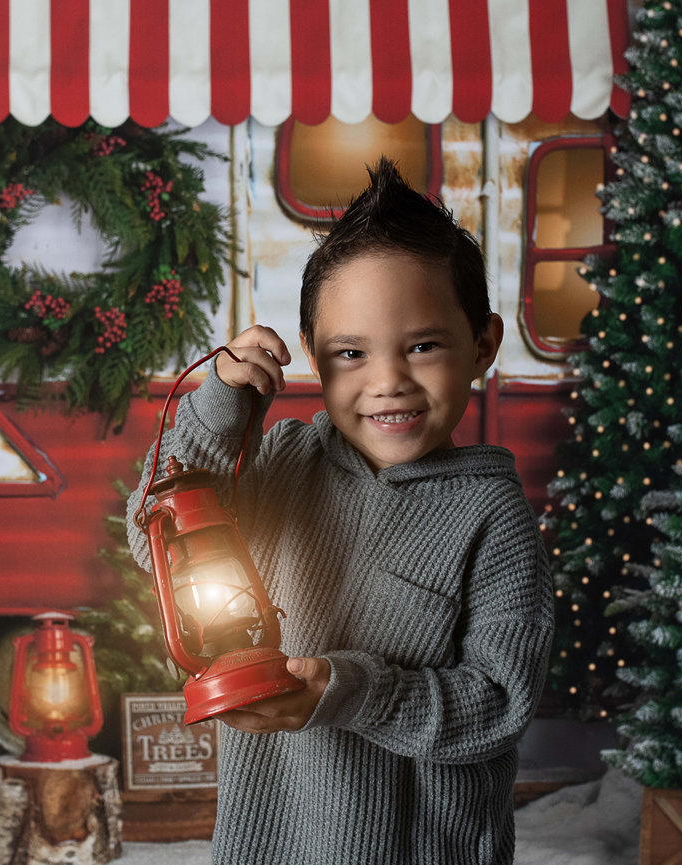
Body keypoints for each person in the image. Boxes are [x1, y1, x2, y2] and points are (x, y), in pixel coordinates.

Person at [126, 157, 553, 865]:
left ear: (481, 346)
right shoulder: (285, 461)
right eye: (350, 353)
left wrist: (352, 691)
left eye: (421, 345)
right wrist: (218, 408)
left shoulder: (491, 515)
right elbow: (157, 540)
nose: (387, 380)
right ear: (315, 362)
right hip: (270, 841)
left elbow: (497, 706)